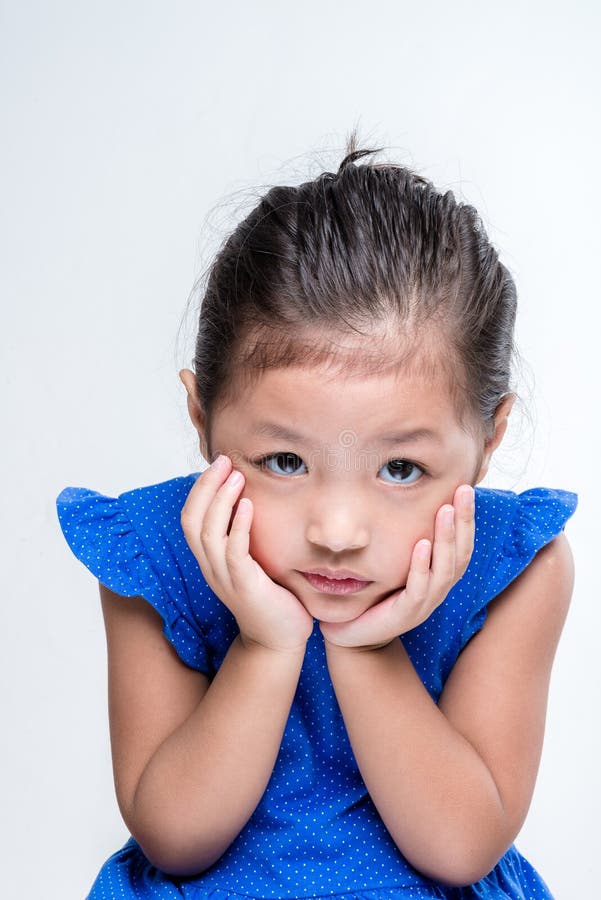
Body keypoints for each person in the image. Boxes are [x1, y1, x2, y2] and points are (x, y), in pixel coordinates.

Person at [56, 136, 577, 900]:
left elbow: (460, 846)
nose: (337, 529)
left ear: (488, 440)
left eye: (401, 469)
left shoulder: (513, 570)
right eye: (285, 463)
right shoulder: (159, 553)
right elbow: (174, 838)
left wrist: (365, 648)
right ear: (201, 416)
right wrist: (267, 647)